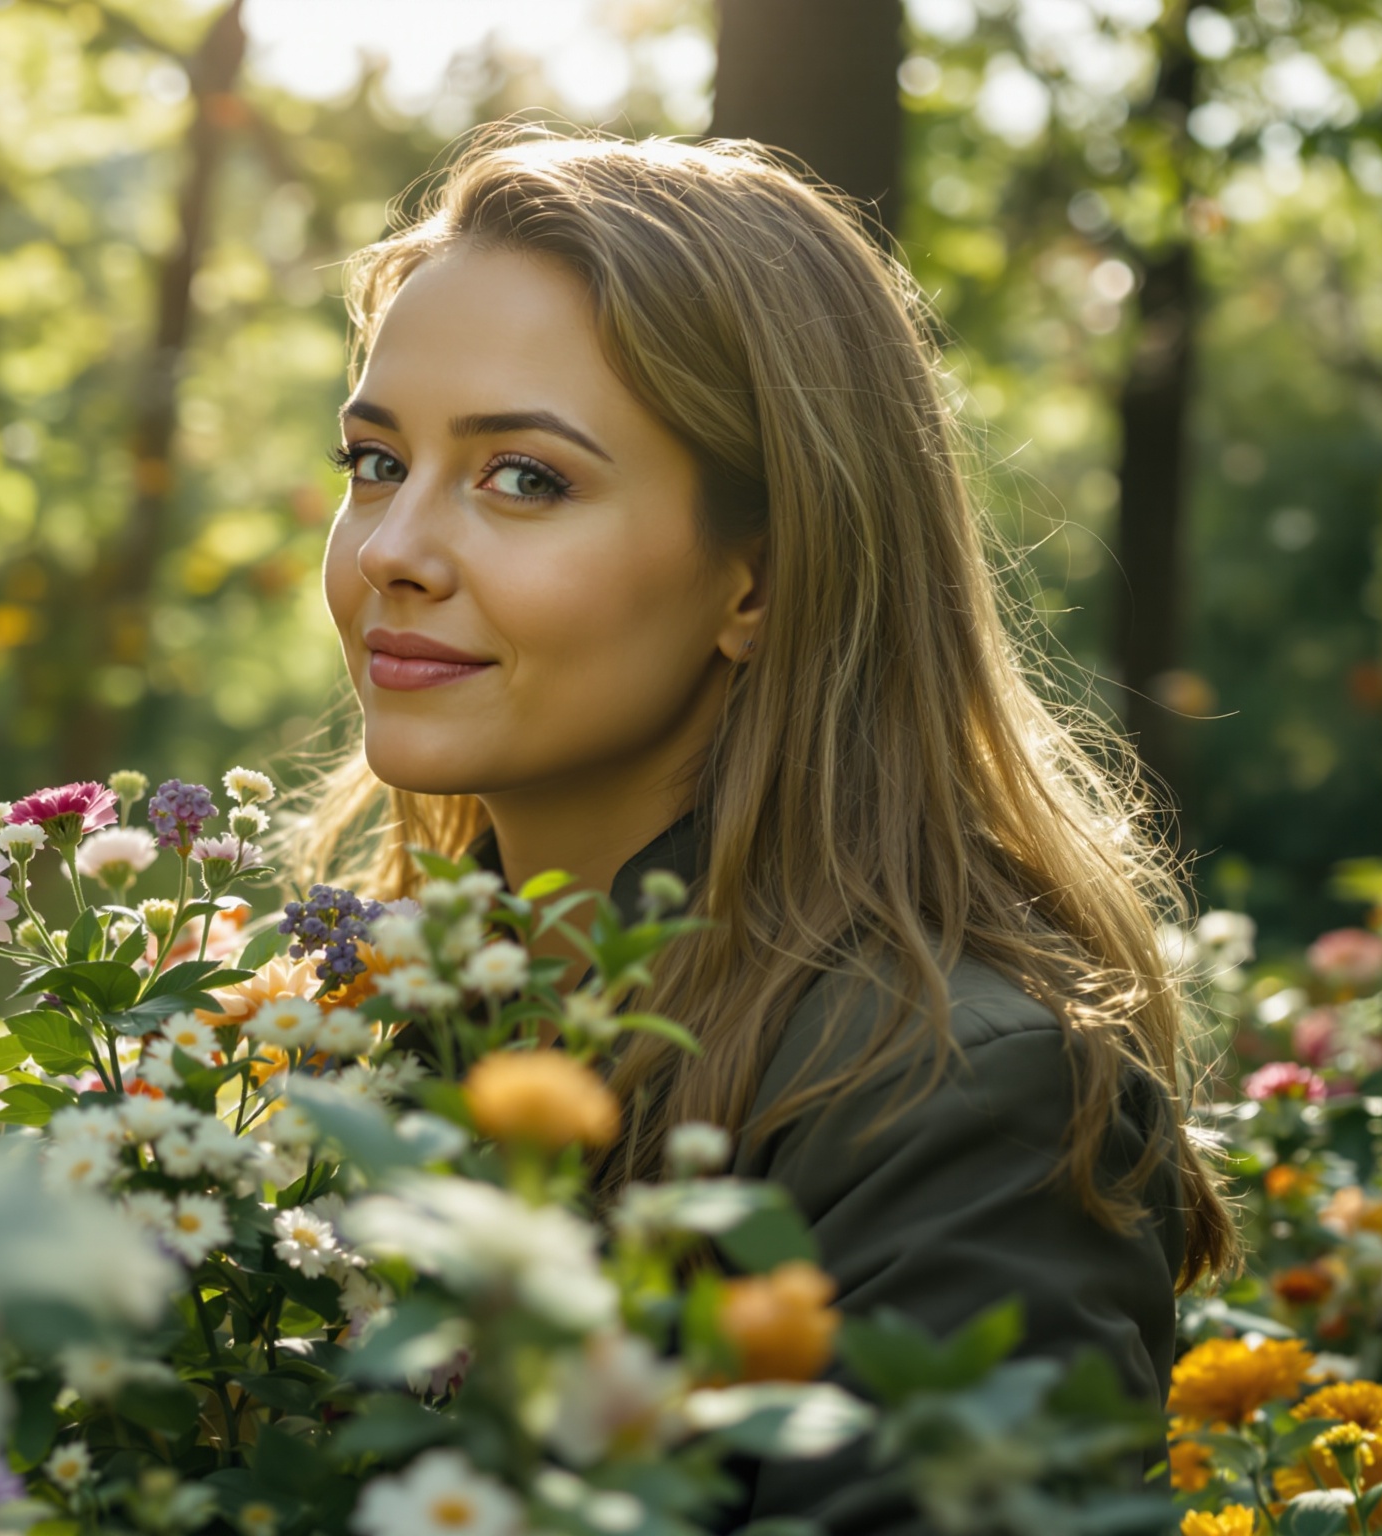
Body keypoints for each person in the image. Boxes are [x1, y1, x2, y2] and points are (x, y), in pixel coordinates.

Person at [289, 129, 1233, 1532]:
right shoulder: (339, 1031)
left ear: (761, 581)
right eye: (376, 461)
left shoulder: (959, 1099)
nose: (388, 553)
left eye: (523, 479)